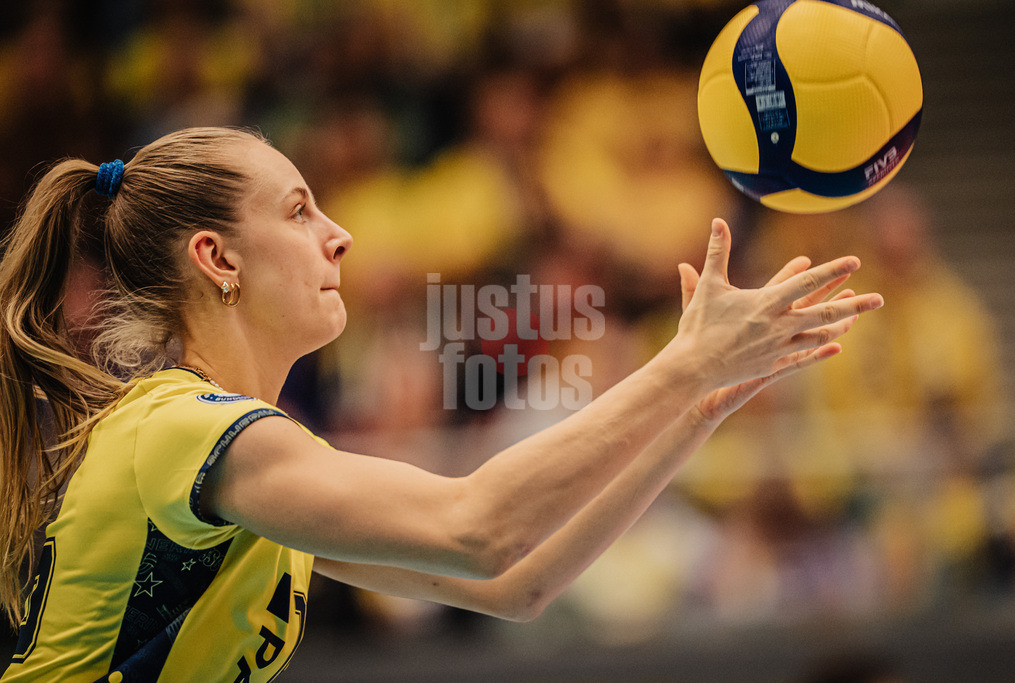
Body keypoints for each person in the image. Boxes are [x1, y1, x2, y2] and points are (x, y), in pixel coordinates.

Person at [0, 127, 882, 681]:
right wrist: (681, 367)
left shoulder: (254, 466)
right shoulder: (184, 431)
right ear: (217, 258)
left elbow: (511, 582)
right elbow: (479, 525)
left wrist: (698, 410)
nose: (338, 232)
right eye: (300, 210)